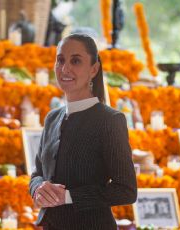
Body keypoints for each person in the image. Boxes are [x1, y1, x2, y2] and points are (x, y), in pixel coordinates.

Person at [29, 33, 137, 229]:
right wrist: (38, 188)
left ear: (94, 69)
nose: (65, 68)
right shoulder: (52, 118)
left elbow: (126, 190)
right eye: (60, 60)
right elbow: (37, 173)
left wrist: (68, 197)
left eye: (75, 61)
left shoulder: (110, 120)